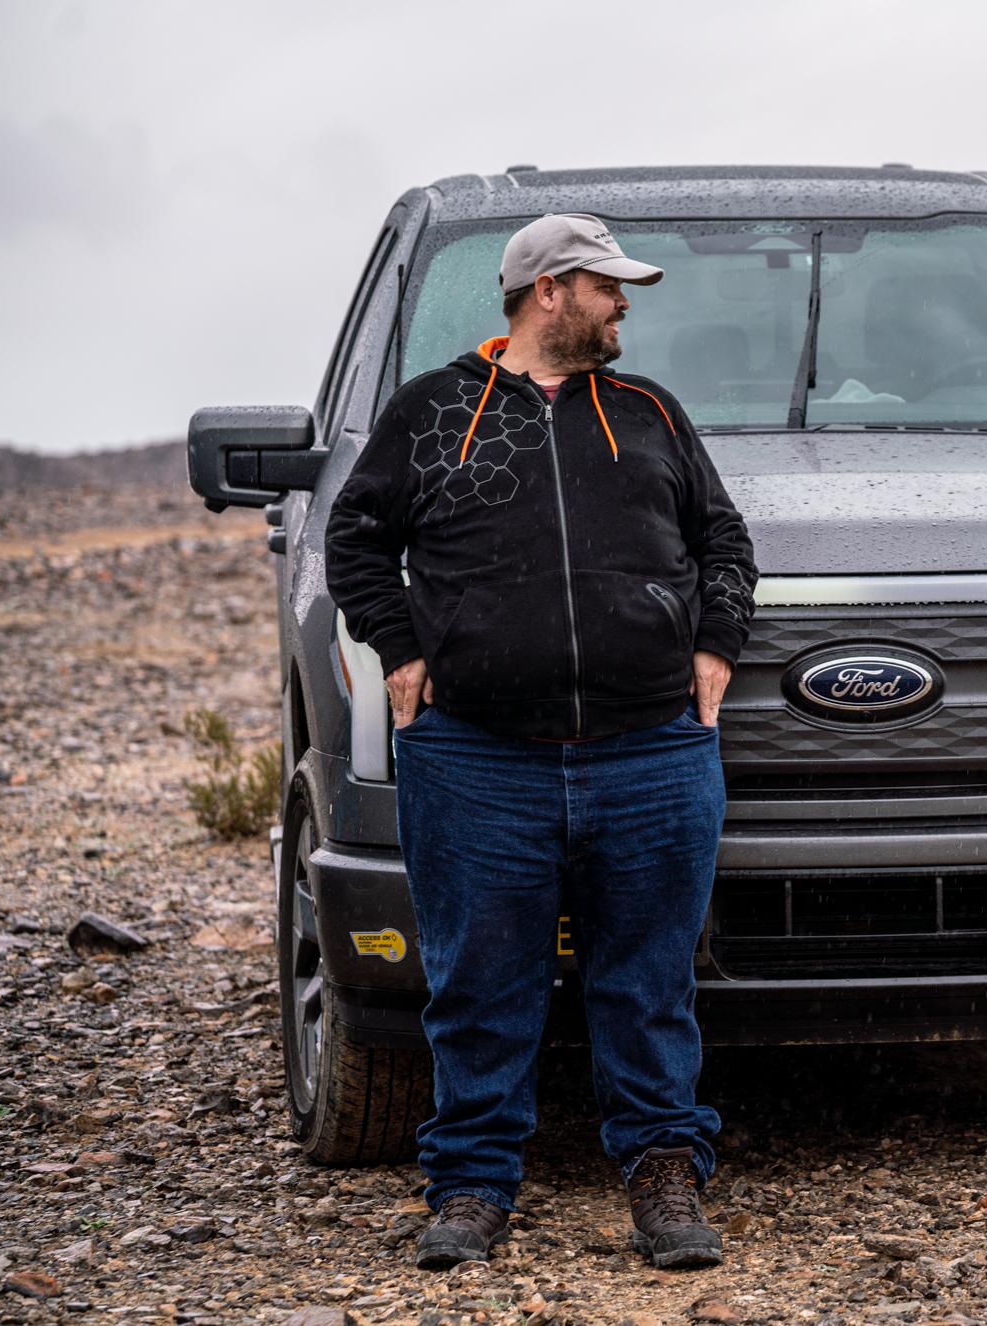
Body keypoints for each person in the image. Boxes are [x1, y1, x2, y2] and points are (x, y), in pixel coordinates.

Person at [324, 212, 756, 1271]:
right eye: (608, 288)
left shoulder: (648, 411)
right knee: (480, 979)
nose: (623, 306)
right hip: (477, 757)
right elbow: (356, 540)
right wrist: (401, 650)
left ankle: (662, 1178)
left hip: (651, 750)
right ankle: (471, 1186)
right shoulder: (433, 414)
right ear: (550, 290)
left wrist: (715, 647)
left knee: (649, 979)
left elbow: (723, 540)